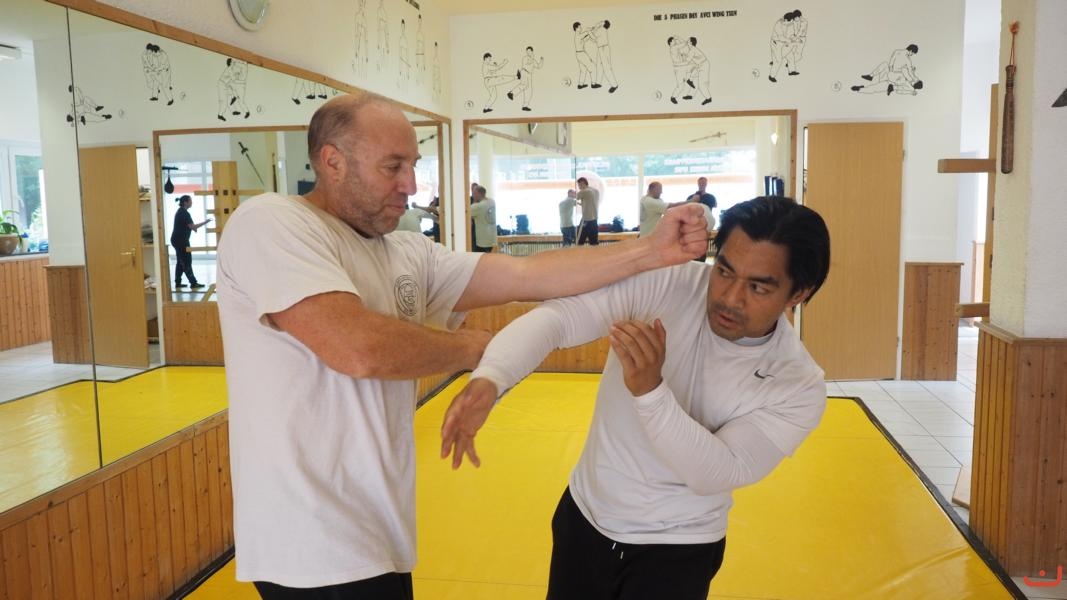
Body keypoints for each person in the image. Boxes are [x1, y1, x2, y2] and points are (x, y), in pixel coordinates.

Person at [214, 92, 710, 599]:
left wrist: (650, 251)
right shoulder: (271, 222)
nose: (411, 184)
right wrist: (480, 350)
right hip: (308, 539)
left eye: (413, 165)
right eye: (393, 166)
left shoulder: (406, 252)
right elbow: (357, 349)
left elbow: (528, 275)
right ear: (333, 161)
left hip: (374, 527)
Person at [440, 196, 831, 600]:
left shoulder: (798, 386)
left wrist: (651, 391)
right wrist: (493, 376)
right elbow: (560, 318)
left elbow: (717, 472)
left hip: (680, 547)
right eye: (725, 271)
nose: (730, 298)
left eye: (758, 287)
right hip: (584, 517)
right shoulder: (669, 283)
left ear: (798, 293)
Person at [170, 194, 210, 290]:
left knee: (180, 261)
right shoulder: (184, 213)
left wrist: (193, 228)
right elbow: (193, 227)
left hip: (177, 240)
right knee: (186, 261)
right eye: (190, 201)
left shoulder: (181, 211)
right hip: (181, 241)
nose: (192, 202)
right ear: (185, 202)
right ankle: (193, 283)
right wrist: (206, 222)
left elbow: (190, 226)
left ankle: (178, 282)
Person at [470, 184, 496, 252]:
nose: (472, 195)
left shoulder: (478, 206)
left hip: (482, 242)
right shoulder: (492, 201)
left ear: (478, 194)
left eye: (473, 193)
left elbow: (465, 213)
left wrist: (475, 201)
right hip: (491, 239)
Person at [575, 177, 600, 246]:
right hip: (594, 220)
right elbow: (590, 203)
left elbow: (574, 196)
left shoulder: (584, 191)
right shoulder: (595, 191)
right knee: (594, 243)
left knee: (579, 242)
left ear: (582, 183)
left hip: (586, 220)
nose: (579, 187)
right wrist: (581, 204)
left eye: (579, 185)